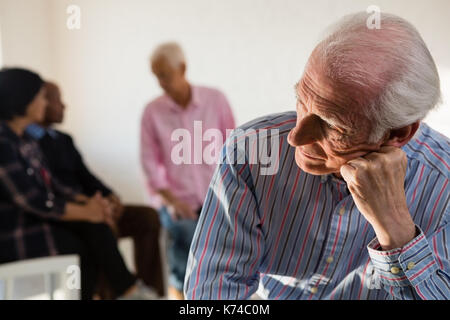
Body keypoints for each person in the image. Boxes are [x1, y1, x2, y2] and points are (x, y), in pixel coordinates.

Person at [185, 12, 449, 300]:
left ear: (398, 133)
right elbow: (213, 289)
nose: (295, 137)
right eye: (301, 100)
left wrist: (397, 230)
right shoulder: (249, 153)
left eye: (329, 123)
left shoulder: (444, 188)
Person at [0, 68, 156, 300]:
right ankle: (128, 290)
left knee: (94, 228)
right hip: (17, 231)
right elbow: (31, 200)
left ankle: (128, 290)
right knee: (87, 237)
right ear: (24, 99)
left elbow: (53, 185)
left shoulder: (25, 140)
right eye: (41, 96)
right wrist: (87, 212)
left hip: (41, 219)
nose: (44, 103)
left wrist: (92, 203)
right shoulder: (4, 142)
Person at [141, 42, 236, 298]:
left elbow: (234, 148)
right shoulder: (153, 112)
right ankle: (184, 297)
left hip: (215, 197)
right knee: (185, 241)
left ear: (182, 68)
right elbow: (150, 163)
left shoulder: (215, 99)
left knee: (223, 253)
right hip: (175, 202)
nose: (160, 82)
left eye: (164, 75)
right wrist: (172, 202)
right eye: (156, 76)